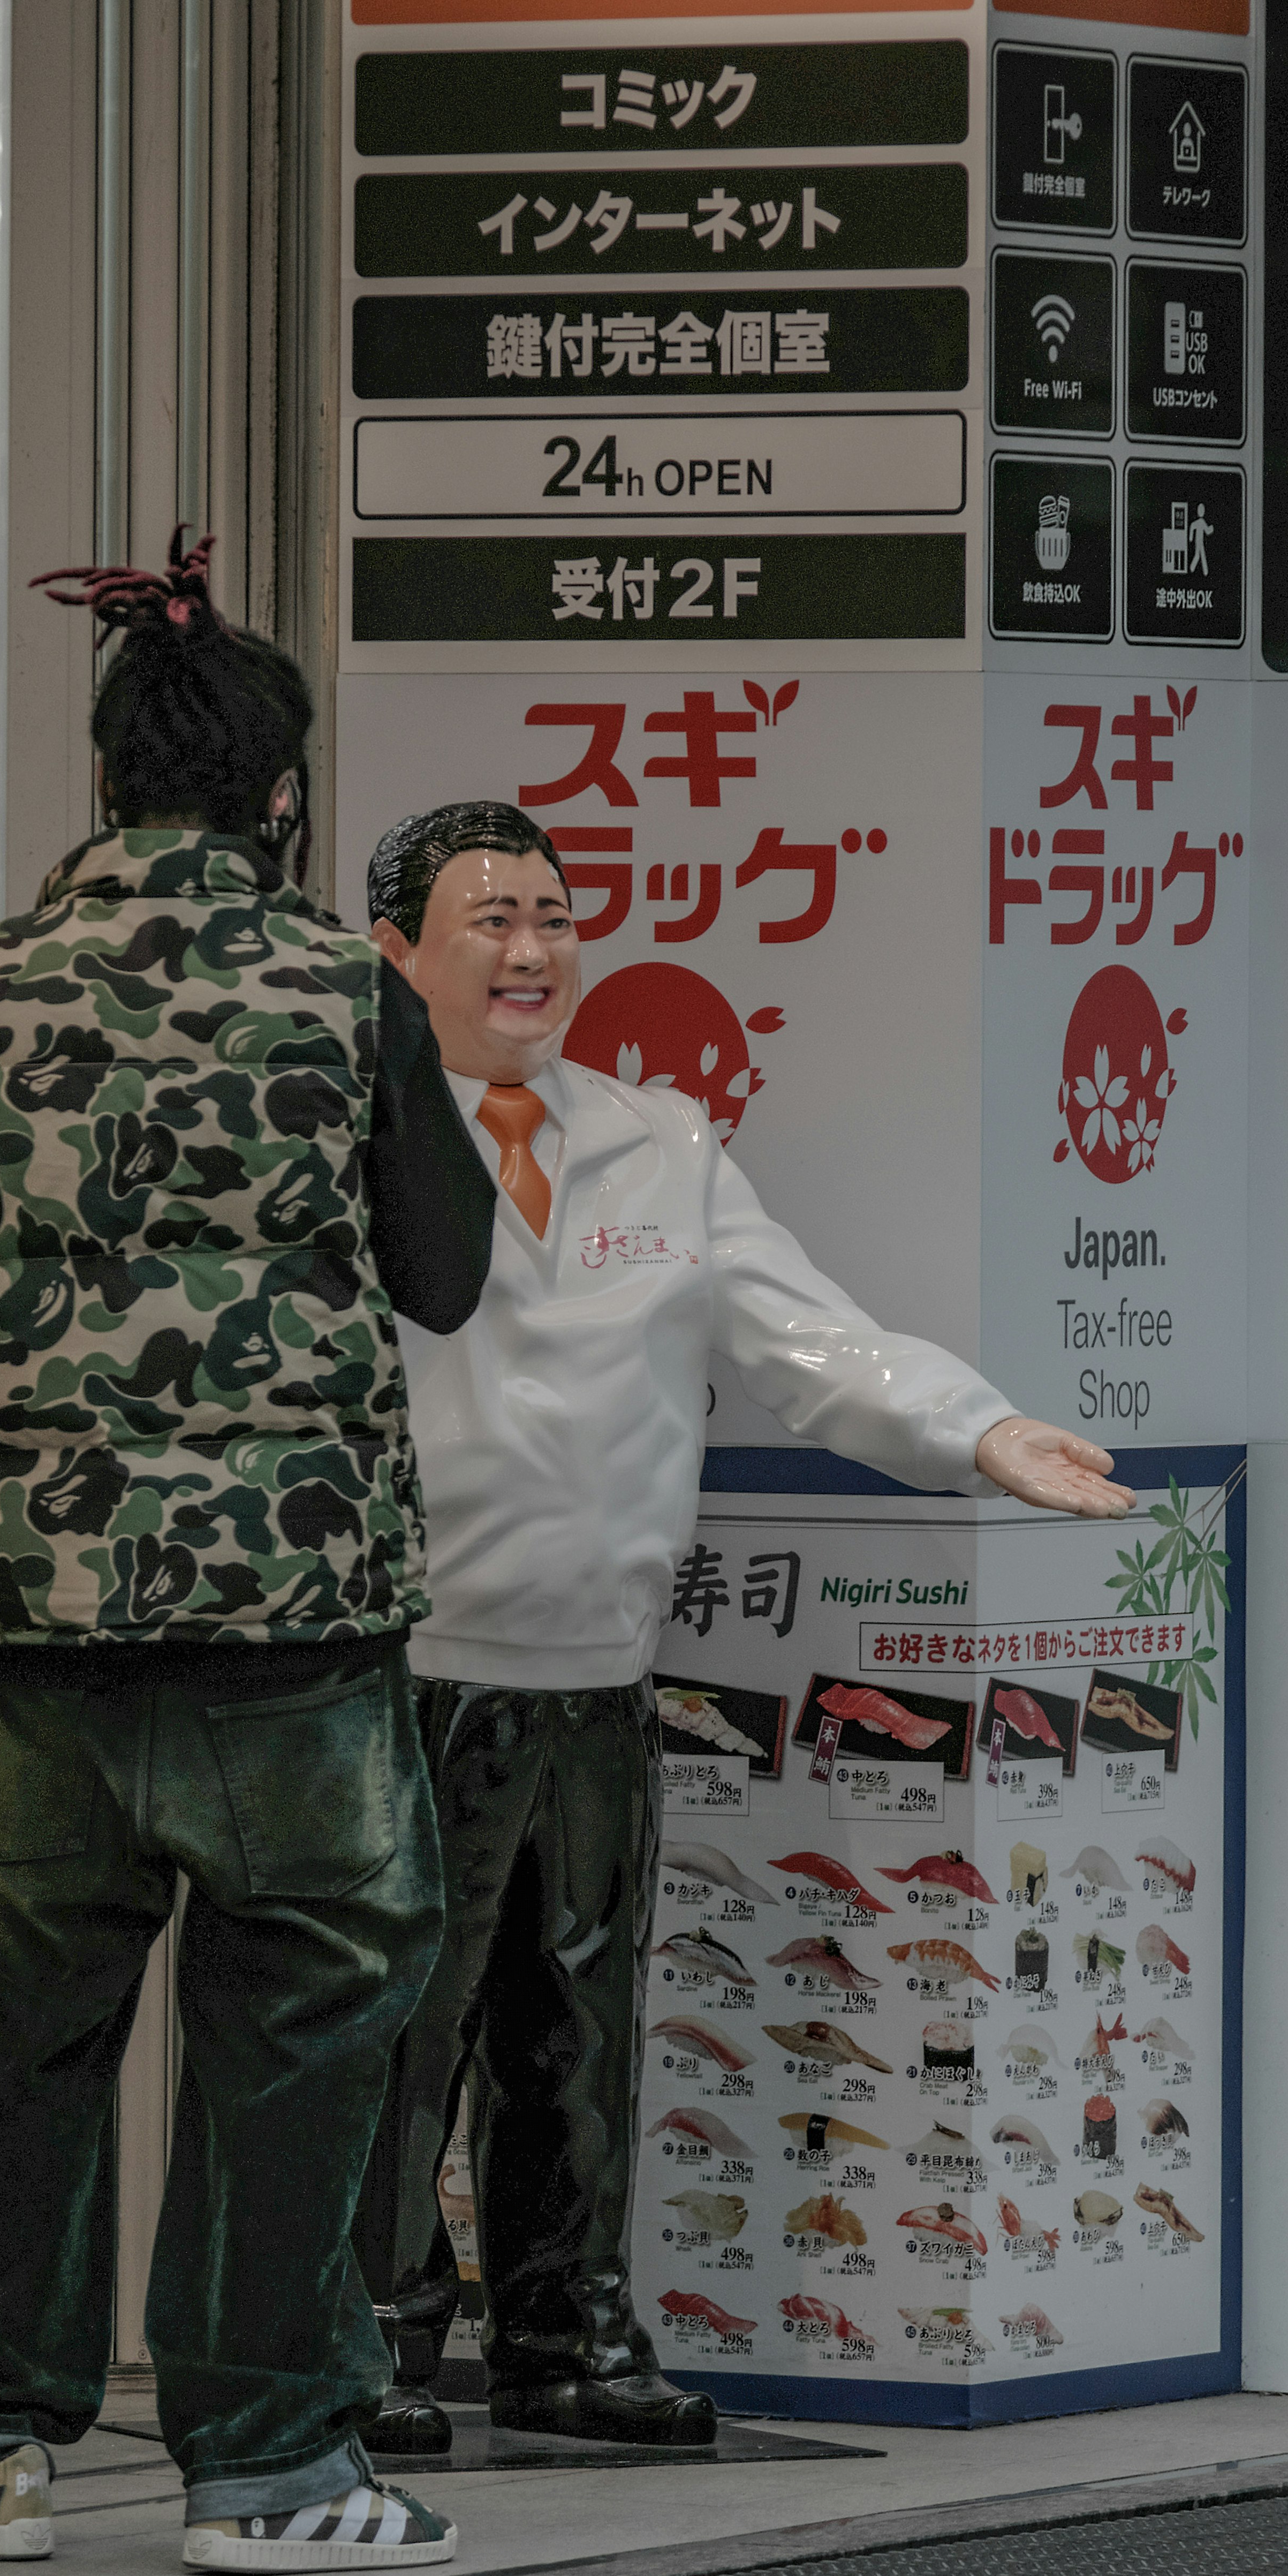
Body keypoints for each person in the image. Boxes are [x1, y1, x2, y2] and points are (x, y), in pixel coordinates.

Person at [0, 538, 494, 2576]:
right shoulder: (339, 998)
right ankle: (274, 2466)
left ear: (103, 782)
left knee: (29, 2022)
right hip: (290, 1628)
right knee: (297, 2016)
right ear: (282, 800)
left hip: (32, 1626)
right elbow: (447, 1277)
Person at [351, 799, 1134, 2453]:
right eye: (488, 917)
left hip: (596, 1669)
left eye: (554, 913)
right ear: (396, 951)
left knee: (575, 2032)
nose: (531, 948)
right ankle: (374, 2341)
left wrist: (985, 1431)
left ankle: (565, 2329)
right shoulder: (350, 1138)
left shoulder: (664, 1141)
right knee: (392, 2034)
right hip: (404, 1669)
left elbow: (814, 1347)